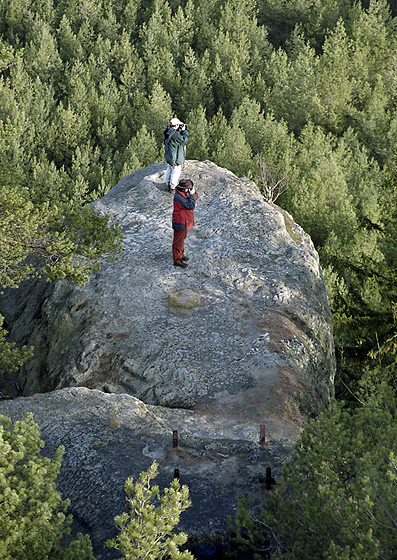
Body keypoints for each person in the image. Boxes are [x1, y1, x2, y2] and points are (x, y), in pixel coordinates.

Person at [172, 179, 197, 269]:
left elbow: (195, 198)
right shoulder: (179, 197)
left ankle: (181, 255)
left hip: (184, 221)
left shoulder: (183, 193)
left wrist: (192, 193)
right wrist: (191, 195)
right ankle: (177, 260)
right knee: (177, 242)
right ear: (184, 189)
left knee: (181, 239)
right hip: (180, 222)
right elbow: (191, 205)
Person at [164, 118, 189, 193]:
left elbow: (176, 137)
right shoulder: (175, 135)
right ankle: (172, 187)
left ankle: (168, 184)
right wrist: (184, 131)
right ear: (176, 125)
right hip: (175, 157)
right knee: (175, 172)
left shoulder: (167, 131)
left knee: (169, 170)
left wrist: (179, 130)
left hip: (169, 156)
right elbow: (184, 140)